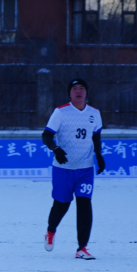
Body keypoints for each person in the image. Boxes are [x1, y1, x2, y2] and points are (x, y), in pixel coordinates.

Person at [42, 79, 105, 260]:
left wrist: (99, 156)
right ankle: (50, 231)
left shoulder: (94, 113)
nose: (78, 91)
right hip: (63, 168)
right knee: (62, 205)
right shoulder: (60, 112)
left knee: (84, 204)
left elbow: (96, 137)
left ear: (86, 93)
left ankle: (82, 248)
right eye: (74, 89)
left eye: (82, 88)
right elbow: (46, 135)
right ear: (69, 93)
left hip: (85, 168)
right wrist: (56, 149)